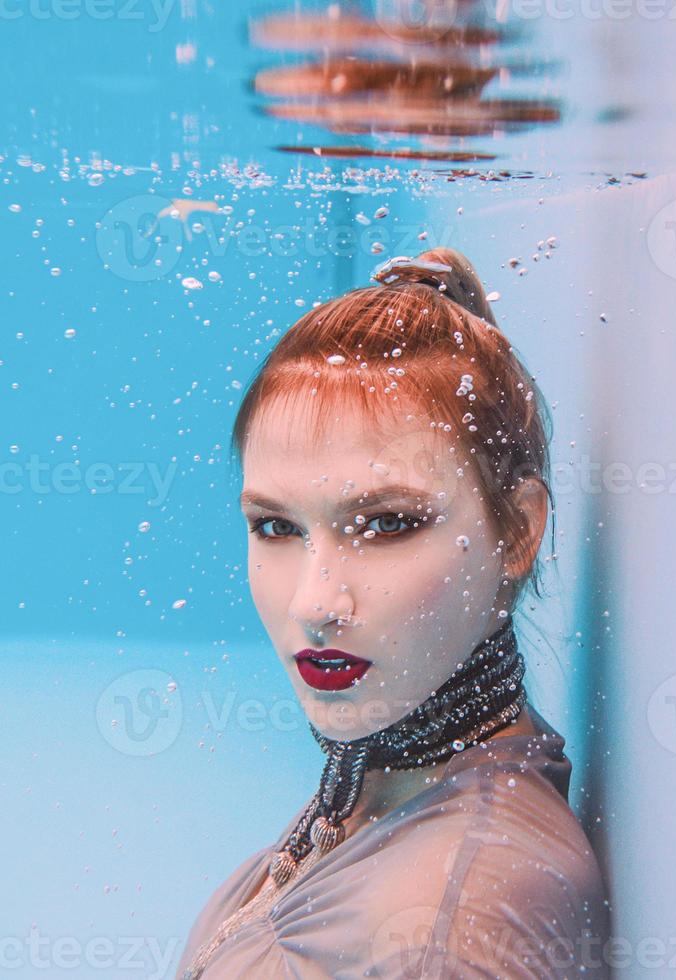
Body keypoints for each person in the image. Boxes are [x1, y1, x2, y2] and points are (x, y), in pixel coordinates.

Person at [175, 248, 611, 978]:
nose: (315, 602)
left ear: (520, 531)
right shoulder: (386, 782)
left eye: (386, 524)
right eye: (276, 527)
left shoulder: (449, 929)